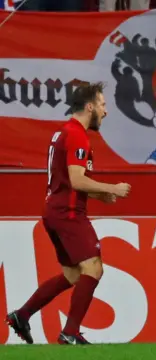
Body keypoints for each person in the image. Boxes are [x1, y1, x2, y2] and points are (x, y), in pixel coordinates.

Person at [5, 82, 131, 345]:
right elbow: (75, 180)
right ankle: (70, 332)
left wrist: (100, 195)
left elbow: (68, 180)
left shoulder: (63, 133)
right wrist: (113, 188)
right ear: (89, 107)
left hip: (54, 210)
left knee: (74, 274)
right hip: (68, 212)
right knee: (94, 268)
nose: (105, 112)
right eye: (103, 105)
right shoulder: (77, 135)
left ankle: (22, 315)